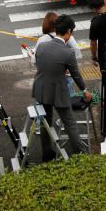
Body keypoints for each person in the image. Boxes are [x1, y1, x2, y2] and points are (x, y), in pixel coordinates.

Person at [32, 15, 92, 160]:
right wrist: (85, 91)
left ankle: (47, 155)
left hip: (40, 88)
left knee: (46, 123)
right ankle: (80, 154)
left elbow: (41, 64)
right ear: (69, 31)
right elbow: (76, 75)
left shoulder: (41, 46)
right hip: (58, 91)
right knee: (69, 122)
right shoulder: (67, 53)